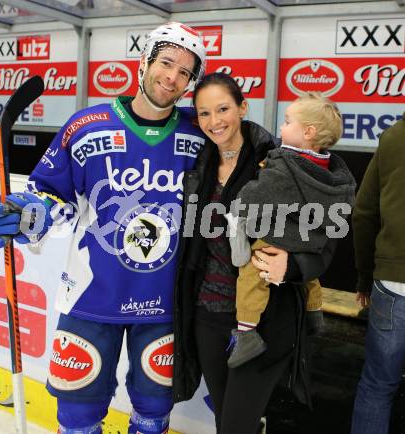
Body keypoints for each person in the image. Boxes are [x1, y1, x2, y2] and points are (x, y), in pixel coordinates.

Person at [0, 22, 206, 434]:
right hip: (90, 295)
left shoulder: (199, 133)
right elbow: (51, 196)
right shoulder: (86, 124)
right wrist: (27, 214)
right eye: (166, 62)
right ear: (145, 62)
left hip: (164, 301)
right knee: (78, 412)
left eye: (185, 72)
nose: (172, 77)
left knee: (155, 409)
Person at [172, 72, 339, 434]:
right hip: (207, 317)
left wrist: (292, 265)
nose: (214, 122)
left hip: (263, 322)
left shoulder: (280, 161)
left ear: (242, 107)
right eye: (203, 113)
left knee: (235, 426)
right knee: (225, 419)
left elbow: (327, 241)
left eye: (222, 109)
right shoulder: (196, 166)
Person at [225, 92, 356, 368]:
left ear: (308, 132)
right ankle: (314, 311)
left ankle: (247, 333)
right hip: (308, 238)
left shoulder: (285, 166)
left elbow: (256, 196)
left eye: (287, 121)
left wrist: (240, 203)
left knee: (251, 274)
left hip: (278, 235)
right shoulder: (331, 172)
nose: (281, 128)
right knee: (309, 279)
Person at [351, 113, 405, 434]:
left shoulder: (394, 136)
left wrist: (363, 278)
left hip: (393, 284)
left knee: (377, 385)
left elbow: (364, 213)